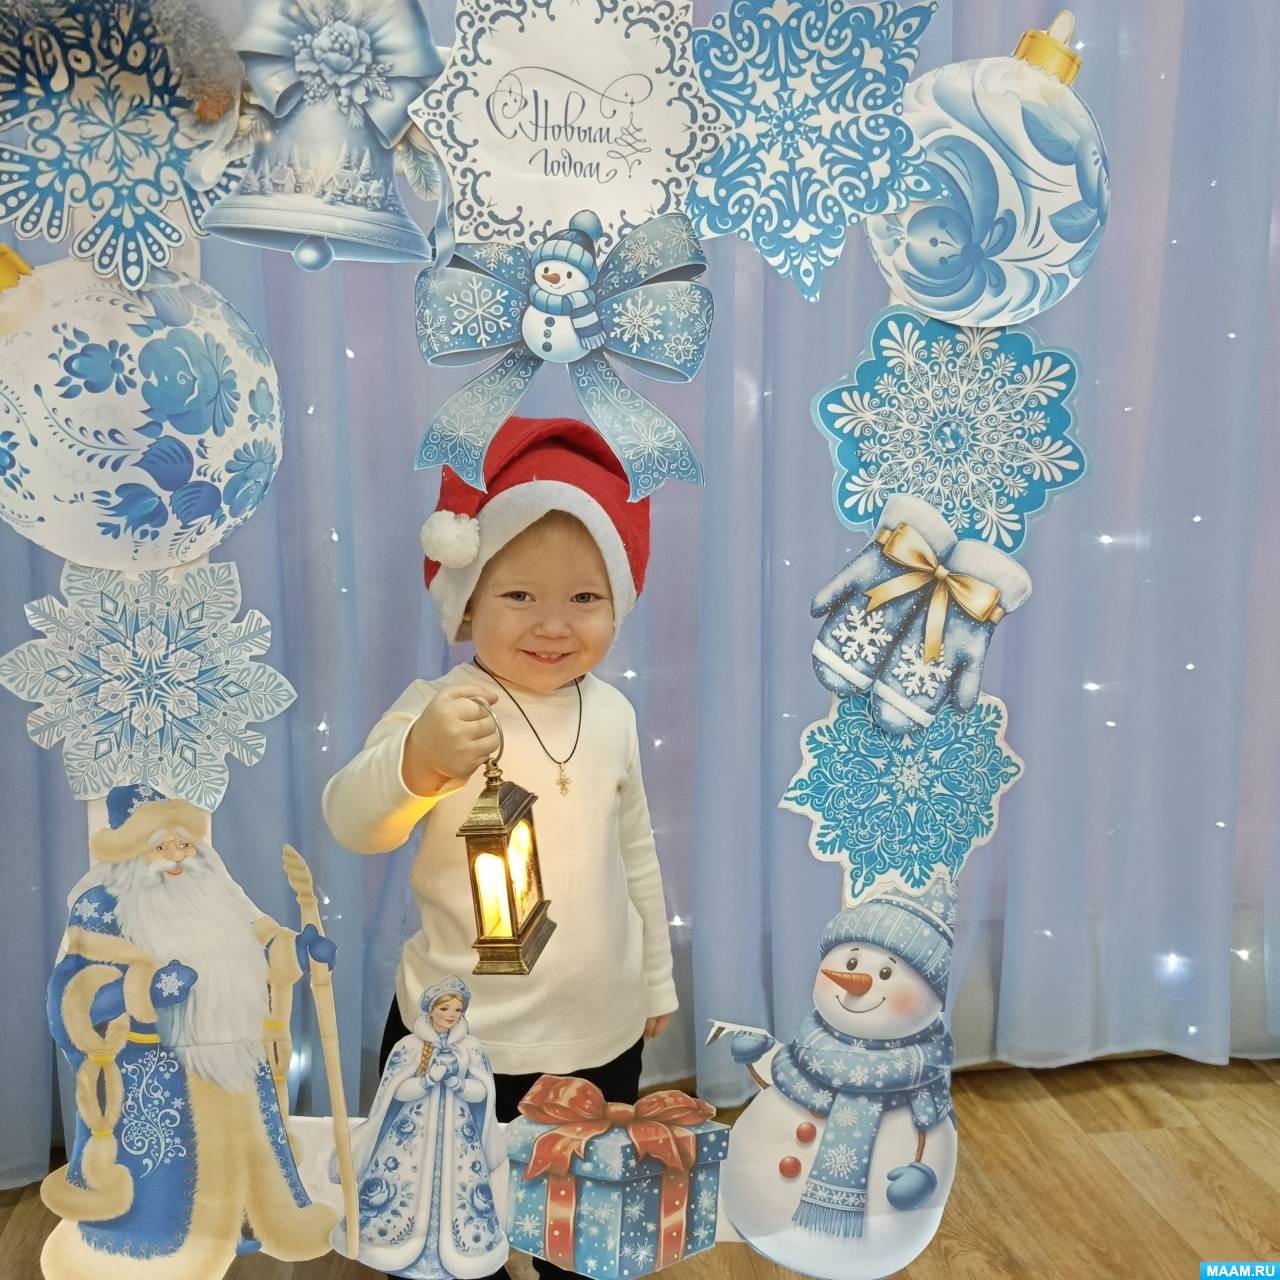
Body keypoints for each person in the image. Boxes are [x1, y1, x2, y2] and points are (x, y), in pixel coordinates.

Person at [323, 417, 678, 1279]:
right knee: (448, 1229)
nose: (553, 625)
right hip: (460, 1042)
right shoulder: (442, 708)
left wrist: (655, 978)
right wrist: (419, 762)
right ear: (467, 602)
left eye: (585, 598)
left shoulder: (614, 714)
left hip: (599, 1033)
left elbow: (635, 851)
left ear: (619, 602)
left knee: (575, 1228)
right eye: (519, 595)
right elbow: (353, 820)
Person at [43, 784, 337, 1279]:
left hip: (235, 1055)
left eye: (184, 843)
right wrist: (146, 991)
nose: (178, 856)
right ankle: (163, 1234)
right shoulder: (102, 905)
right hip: (151, 1063)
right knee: (173, 1175)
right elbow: (70, 998)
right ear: (131, 852)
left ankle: (251, 1223)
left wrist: (299, 950)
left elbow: (261, 945)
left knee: (249, 1150)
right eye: (161, 846)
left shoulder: (217, 891)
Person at [334, 977, 507, 1278]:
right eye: (445, 1008)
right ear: (430, 1010)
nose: (451, 1015)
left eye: (457, 1010)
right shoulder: (409, 1046)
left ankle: (463, 1253)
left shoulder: (471, 1048)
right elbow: (394, 1091)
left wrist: (458, 1084)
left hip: (458, 1138)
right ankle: (395, 1248)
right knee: (406, 1187)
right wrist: (426, 1081)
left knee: (459, 1191)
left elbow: (483, 1092)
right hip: (411, 1135)